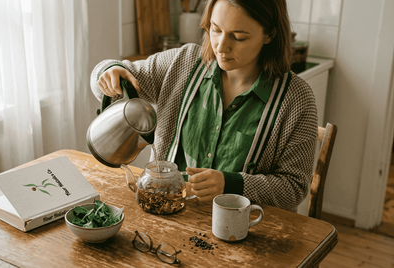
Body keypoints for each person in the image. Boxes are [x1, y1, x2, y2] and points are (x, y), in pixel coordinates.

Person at [90, 0, 317, 212]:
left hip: (244, 231)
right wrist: (109, 72)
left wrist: (233, 184)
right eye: (216, 29)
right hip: (168, 213)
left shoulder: (297, 100)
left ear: (270, 34)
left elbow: (294, 189)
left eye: (238, 37)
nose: (221, 46)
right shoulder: (183, 62)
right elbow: (106, 77)